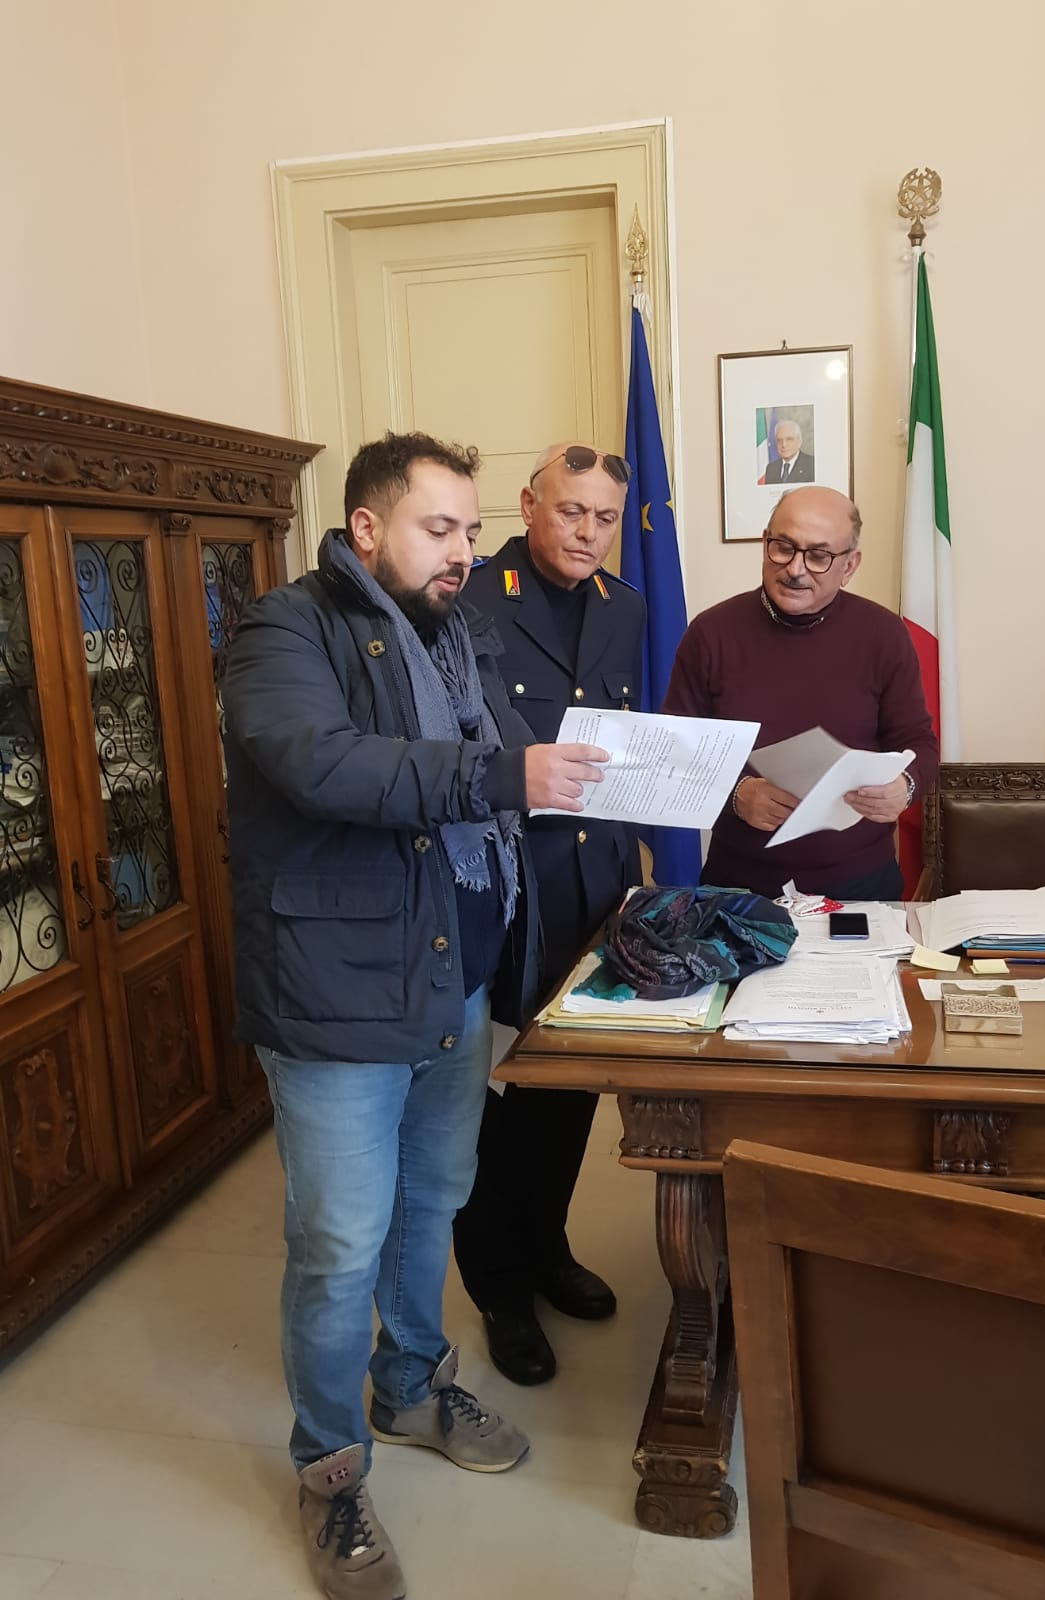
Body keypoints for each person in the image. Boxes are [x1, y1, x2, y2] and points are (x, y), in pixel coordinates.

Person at [221, 431, 610, 1600]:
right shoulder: (283, 630)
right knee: (339, 1240)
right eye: (439, 528)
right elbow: (325, 766)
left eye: (470, 531)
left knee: (431, 1202)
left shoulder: (456, 633)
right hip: (335, 996)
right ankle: (330, 1468)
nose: (463, 552)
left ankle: (410, 1385)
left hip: (452, 978)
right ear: (366, 528)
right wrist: (504, 777)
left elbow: (503, 753)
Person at [453, 441, 646, 1386]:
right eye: (571, 511)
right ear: (528, 506)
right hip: (504, 890)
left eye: (604, 517)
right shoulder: (468, 601)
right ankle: (499, 1288)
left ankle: (548, 1248)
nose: (588, 532)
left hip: (592, 885)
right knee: (490, 1104)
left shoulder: (625, 608)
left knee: (570, 1089)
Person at [661, 485, 937, 900]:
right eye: (783, 547)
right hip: (738, 883)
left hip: (859, 882)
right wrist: (736, 795)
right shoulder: (710, 633)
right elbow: (674, 751)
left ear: (849, 565)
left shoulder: (883, 634)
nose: (795, 568)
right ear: (764, 544)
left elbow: (919, 744)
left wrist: (906, 786)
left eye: (819, 556)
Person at [762, 418, 815, 485]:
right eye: (779, 440)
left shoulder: (812, 464)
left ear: (799, 441)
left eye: (789, 439)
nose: (784, 445)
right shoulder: (771, 468)